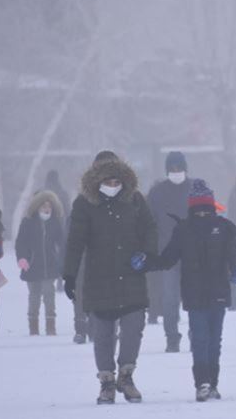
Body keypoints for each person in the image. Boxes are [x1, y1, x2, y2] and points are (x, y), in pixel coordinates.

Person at [63, 151, 158, 405]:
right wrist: (69, 274)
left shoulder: (135, 200)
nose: (113, 187)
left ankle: (126, 376)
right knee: (102, 334)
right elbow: (75, 241)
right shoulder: (84, 204)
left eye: (117, 182)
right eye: (107, 182)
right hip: (99, 278)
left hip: (131, 275)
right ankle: (106, 382)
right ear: (96, 180)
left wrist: (148, 254)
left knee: (133, 329)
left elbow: (150, 228)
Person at [157, 179, 236, 402]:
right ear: (193, 207)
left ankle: (212, 382)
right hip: (195, 294)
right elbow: (168, 257)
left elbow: (233, 253)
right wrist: (148, 262)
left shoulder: (223, 228)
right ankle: (202, 382)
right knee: (200, 338)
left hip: (218, 292)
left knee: (214, 339)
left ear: (212, 207)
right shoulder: (184, 229)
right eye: (199, 209)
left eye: (207, 209)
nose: (203, 214)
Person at [146, 151, 192, 351]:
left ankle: (195, 335)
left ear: (185, 169)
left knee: (193, 298)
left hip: (193, 253)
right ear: (167, 170)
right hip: (167, 253)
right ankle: (172, 337)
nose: (176, 172)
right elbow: (149, 222)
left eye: (179, 168)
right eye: (172, 168)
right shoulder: (157, 192)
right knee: (170, 298)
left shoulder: (195, 189)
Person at [15, 191, 65, 336]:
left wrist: (61, 257)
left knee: (49, 293)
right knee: (34, 295)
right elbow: (21, 243)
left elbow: (61, 242)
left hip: (50, 264)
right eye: (43, 205)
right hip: (32, 265)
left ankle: (51, 326)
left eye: (49, 205)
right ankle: (33, 326)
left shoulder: (55, 222)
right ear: (37, 206)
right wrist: (22, 258)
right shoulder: (28, 222)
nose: (46, 208)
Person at [45, 169, 71, 292]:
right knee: (60, 253)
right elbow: (67, 210)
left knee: (47, 252)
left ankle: (48, 279)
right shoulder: (63, 193)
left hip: (46, 227)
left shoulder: (43, 194)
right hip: (61, 226)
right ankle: (60, 280)